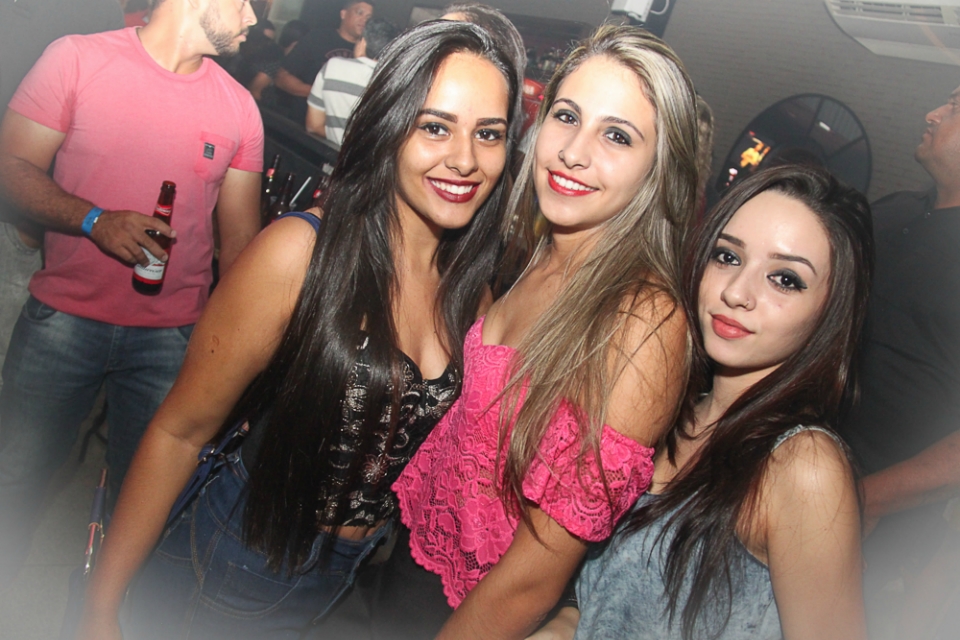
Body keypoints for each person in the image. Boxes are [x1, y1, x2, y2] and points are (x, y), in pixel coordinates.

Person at [77, 19, 522, 640]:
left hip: (349, 578)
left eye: (489, 133)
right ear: (389, 125)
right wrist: (100, 608)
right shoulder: (299, 253)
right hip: (239, 555)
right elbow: (179, 432)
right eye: (435, 126)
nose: (466, 159)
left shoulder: (472, 292)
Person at [380, 25, 698, 639]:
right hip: (405, 565)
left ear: (659, 169)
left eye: (617, 135)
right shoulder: (539, 257)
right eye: (567, 116)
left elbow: (535, 576)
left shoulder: (645, 320)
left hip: (474, 614)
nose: (574, 152)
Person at [536, 165, 873, 640]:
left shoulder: (803, 467)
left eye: (785, 279)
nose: (736, 293)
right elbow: (603, 596)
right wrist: (563, 626)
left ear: (830, 311)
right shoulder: (669, 413)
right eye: (727, 256)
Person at [0, 0, 263, 585]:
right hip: (62, 320)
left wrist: (238, 354)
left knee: (142, 503)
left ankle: (104, 612)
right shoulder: (76, 60)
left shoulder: (239, 107)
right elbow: (12, 168)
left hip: (171, 339)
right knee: (15, 477)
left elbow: (240, 245)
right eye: (245, 2)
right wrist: (93, 220)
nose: (252, 19)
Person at [838, 85, 960, 637]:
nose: (932, 113)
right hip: (786, 470)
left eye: (955, 107)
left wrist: (865, 500)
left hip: (874, 529)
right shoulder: (894, 210)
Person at [275, 0, 373, 122]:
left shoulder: (371, 51)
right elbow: (282, 78)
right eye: (359, 13)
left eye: (368, 17)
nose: (364, 20)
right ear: (343, 14)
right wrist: (323, 93)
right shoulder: (318, 38)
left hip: (340, 130)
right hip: (302, 123)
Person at [306, 18, 398, 145]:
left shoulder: (333, 67)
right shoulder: (395, 82)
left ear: (363, 43)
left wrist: (340, 137)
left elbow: (313, 126)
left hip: (331, 154)